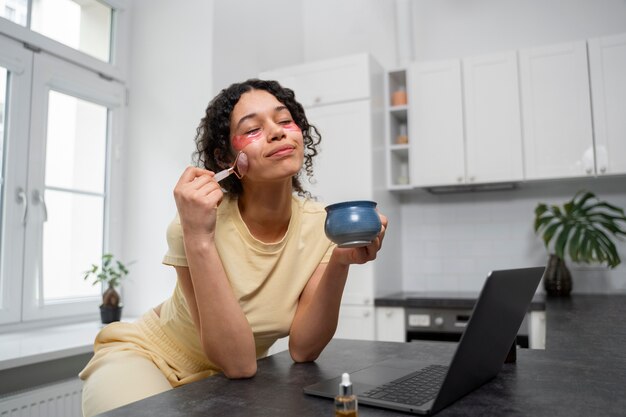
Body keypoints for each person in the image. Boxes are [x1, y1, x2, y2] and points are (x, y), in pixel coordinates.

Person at [78, 79, 387, 417]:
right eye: (253, 128)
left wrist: (339, 262)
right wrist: (198, 236)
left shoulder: (322, 225)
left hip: (228, 379)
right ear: (227, 158)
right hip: (147, 356)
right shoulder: (194, 224)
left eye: (285, 121)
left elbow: (303, 349)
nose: (277, 132)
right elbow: (238, 363)